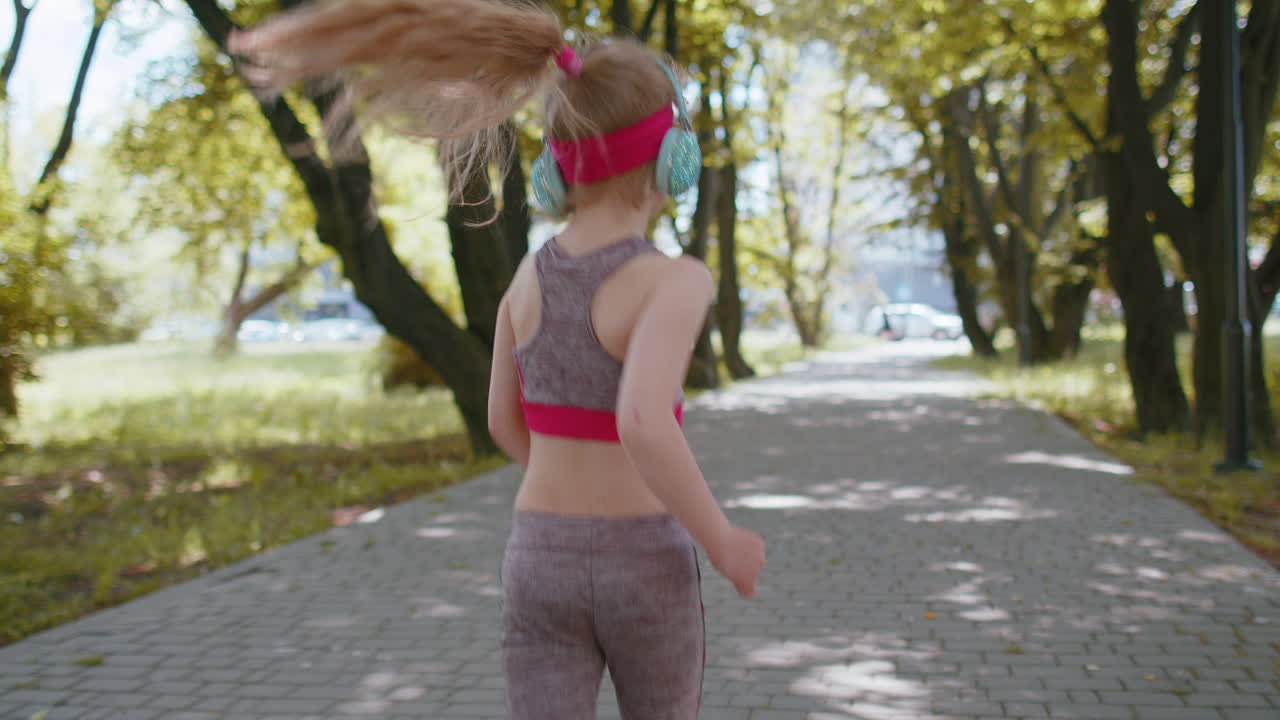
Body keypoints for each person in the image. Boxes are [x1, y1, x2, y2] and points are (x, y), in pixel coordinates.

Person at [230, 2, 766, 718]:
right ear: (674, 157)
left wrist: (566, 482)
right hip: (643, 561)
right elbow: (642, 420)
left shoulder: (527, 277)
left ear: (560, 162)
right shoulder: (675, 281)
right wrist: (722, 539)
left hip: (539, 554)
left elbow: (502, 423)